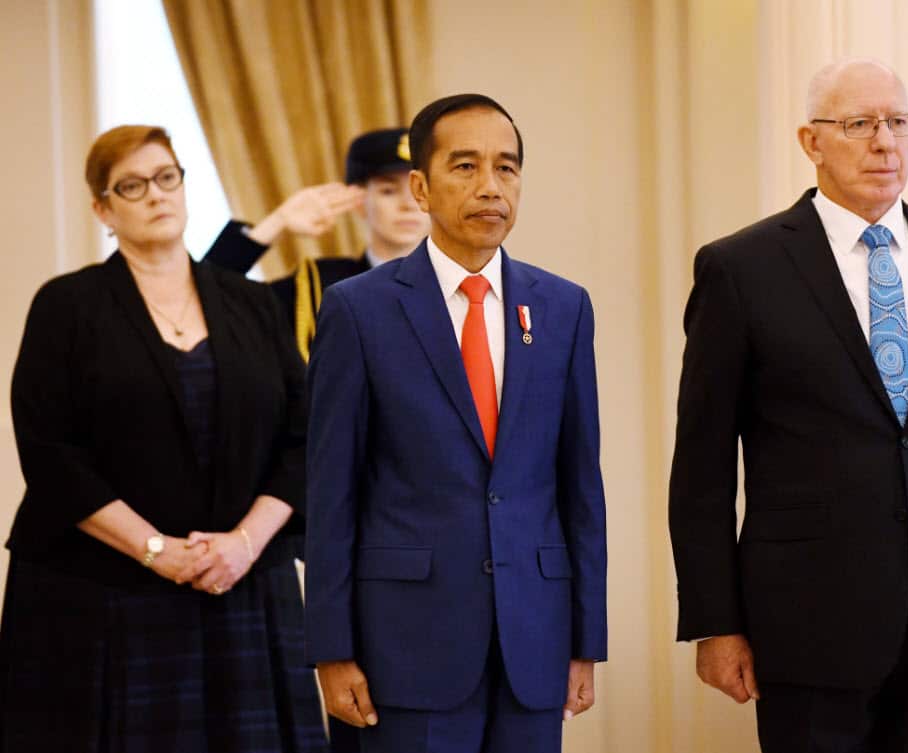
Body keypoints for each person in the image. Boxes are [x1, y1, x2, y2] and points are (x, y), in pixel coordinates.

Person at [668, 58, 908, 752]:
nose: (884, 142)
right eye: (858, 124)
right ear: (811, 141)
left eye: (897, 122)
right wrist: (715, 619)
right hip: (804, 624)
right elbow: (702, 465)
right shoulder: (741, 268)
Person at [0, 125, 328, 752]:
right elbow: (50, 455)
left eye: (167, 177)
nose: (156, 194)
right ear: (103, 208)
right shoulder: (67, 306)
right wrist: (158, 551)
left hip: (242, 584)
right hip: (103, 591)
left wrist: (241, 544)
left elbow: (302, 439)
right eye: (132, 185)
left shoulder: (254, 304)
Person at [305, 94, 608, 753]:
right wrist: (331, 649)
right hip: (404, 645)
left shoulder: (562, 307)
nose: (490, 187)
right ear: (421, 186)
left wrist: (585, 639)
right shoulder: (359, 311)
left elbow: (579, 485)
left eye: (506, 168)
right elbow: (331, 493)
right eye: (465, 166)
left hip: (534, 639)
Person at [205, 127, 430, 359]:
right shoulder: (318, 287)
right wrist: (277, 222)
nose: (408, 204)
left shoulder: (461, 283)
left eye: (419, 189)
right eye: (388, 191)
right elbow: (208, 299)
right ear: (359, 201)